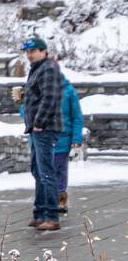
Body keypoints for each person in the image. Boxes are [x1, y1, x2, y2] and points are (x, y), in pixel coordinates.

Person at [19, 36, 64, 231]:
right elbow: (39, 96)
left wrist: (39, 122)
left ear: (43, 51)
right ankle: (39, 213)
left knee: (46, 172)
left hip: (44, 128)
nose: (30, 55)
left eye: (33, 51)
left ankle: (52, 216)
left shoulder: (48, 68)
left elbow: (51, 98)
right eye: (28, 52)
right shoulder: (37, 69)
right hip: (36, 128)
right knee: (38, 171)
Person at [54, 75, 85, 214]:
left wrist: (76, 139)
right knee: (43, 172)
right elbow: (26, 113)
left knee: (59, 169)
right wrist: (23, 103)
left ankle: (60, 198)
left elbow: (77, 117)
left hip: (62, 139)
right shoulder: (37, 88)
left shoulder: (68, 91)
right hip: (42, 139)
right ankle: (45, 200)